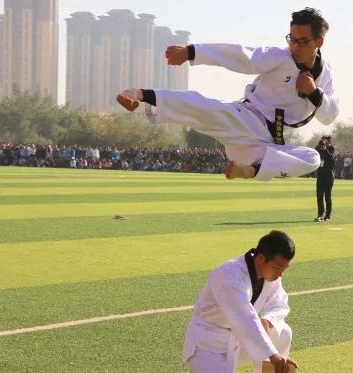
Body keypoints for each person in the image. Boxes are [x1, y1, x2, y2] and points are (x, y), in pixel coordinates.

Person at [118, 8, 339, 181]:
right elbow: (240, 55)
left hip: (263, 149)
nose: (295, 46)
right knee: (204, 108)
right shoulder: (279, 57)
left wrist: (313, 92)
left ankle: (249, 171)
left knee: (313, 159)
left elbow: (330, 115)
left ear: (319, 42)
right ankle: (140, 97)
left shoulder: (326, 75)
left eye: (302, 41)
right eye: (292, 39)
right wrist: (191, 52)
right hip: (247, 119)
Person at [183, 230, 298, 373]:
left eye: (284, 269)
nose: (280, 274)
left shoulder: (270, 274)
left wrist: (268, 320)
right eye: (277, 268)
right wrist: (273, 355)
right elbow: (244, 317)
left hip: (237, 343)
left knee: (282, 331)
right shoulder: (229, 275)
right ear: (261, 258)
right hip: (208, 346)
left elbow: (280, 304)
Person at [314, 135, 336, 221]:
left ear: (329, 141)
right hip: (320, 175)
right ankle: (320, 214)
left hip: (329, 176)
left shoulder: (332, 149)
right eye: (323, 140)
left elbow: (331, 157)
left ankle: (328, 215)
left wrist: (325, 149)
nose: (324, 142)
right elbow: (314, 154)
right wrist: (319, 147)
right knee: (319, 195)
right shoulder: (319, 149)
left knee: (327, 196)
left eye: (326, 141)